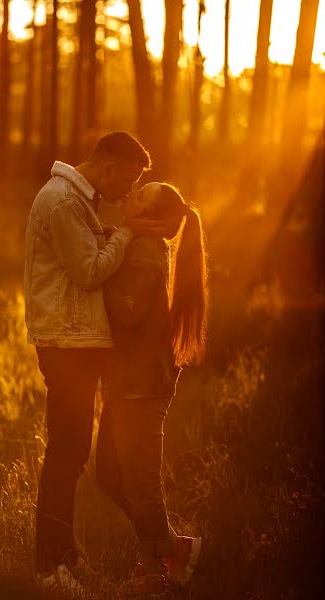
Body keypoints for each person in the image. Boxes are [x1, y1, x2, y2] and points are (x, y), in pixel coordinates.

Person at [24, 132, 165, 593]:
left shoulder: (76, 201)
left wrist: (114, 233)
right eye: (129, 180)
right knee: (65, 453)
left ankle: (64, 554)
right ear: (108, 167)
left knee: (72, 452)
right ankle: (49, 568)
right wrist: (125, 233)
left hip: (76, 344)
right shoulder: (63, 201)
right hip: (66, 346)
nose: (128, 191)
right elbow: (87, 272)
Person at [96, 182, 208, 597]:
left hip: (141, 387)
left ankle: (154, 572)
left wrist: (92, 276)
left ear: (156, 222)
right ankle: (172, 546)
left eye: (140, 198)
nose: (129, 196)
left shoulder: (145, 253)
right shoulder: (139, 247)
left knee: (139, 483)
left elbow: (127, 311)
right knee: (108, 474)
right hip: (129, 384)